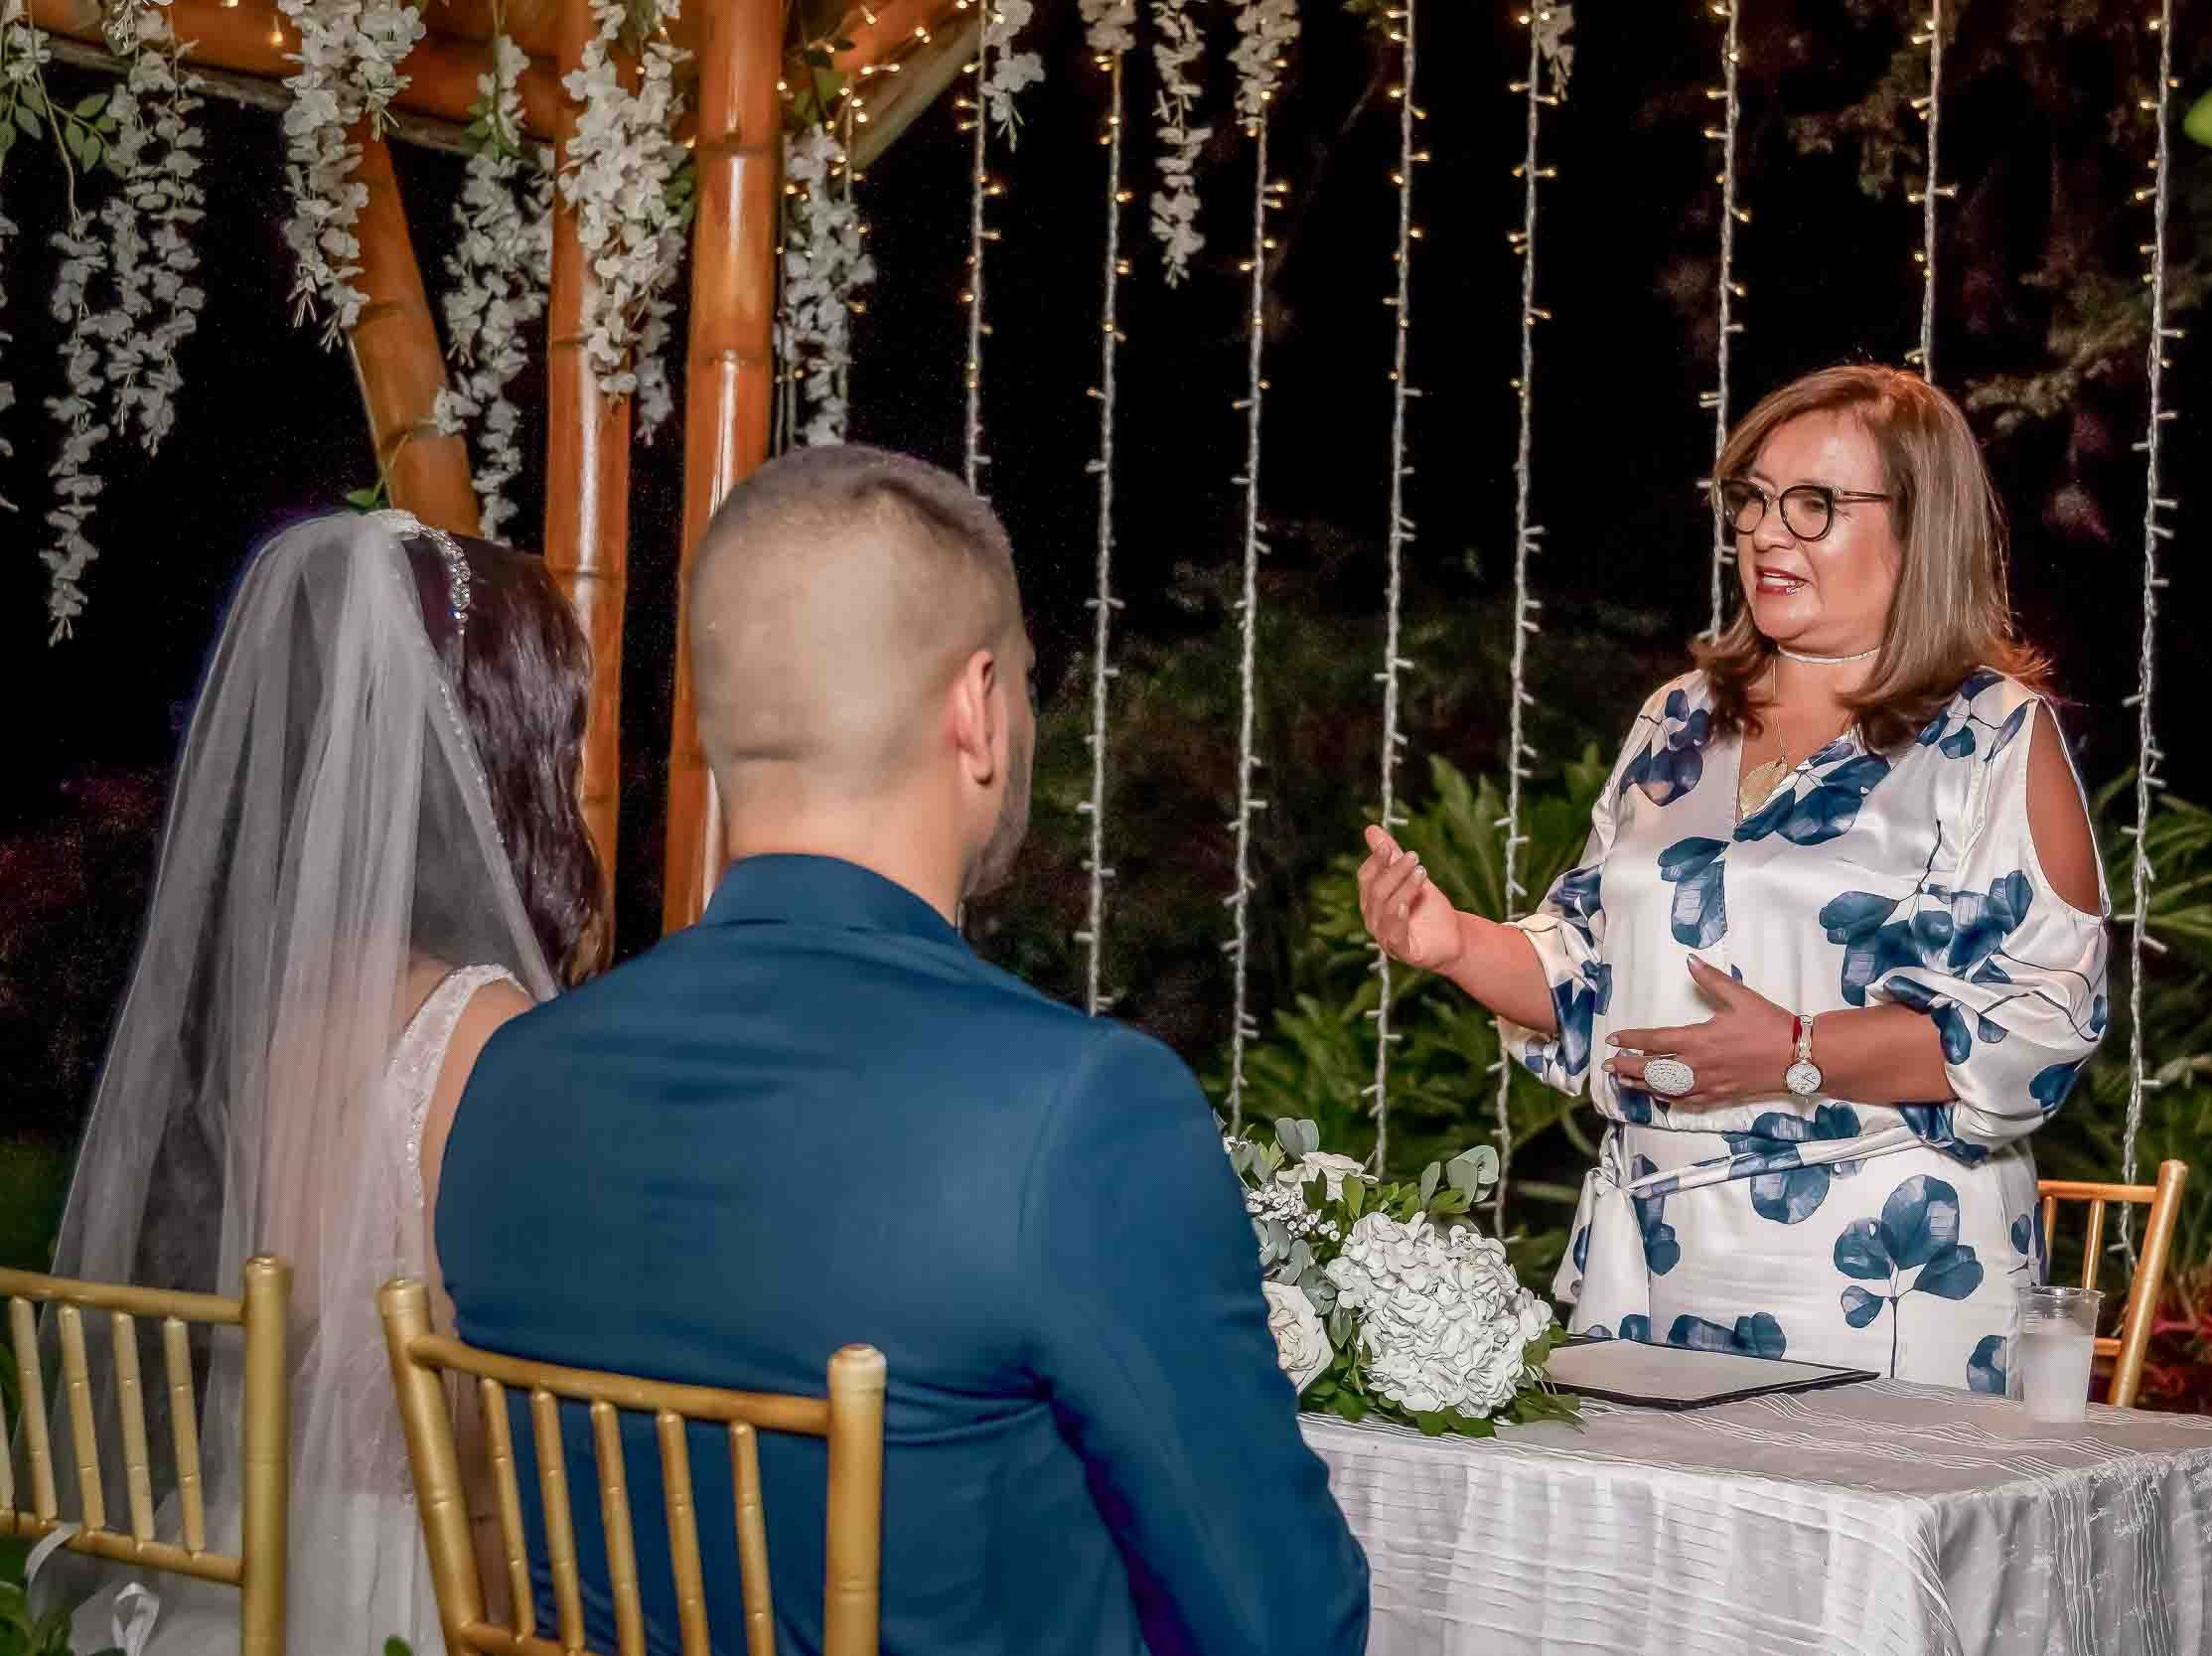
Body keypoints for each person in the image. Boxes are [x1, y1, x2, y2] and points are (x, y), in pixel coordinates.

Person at [436, 444, 1369, 1656]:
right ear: (975, 706)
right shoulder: (1080, 1108)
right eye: (1029, 683)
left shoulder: (510, 1081)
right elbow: (1283, 1625)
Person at [1359, 365, 2109, 1389]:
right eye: (1753, 501)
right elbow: (1591, 976)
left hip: (1883, 1268)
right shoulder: (1680, 718)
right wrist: (1451, 943)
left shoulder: (1991, 734)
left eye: (1815, 506)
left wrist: (1798, 1051)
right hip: (1657, 1260)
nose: (1765, 533)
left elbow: (2038, 1028)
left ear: (1919, 526)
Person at [45, 510, 606, 1655]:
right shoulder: (486, 1027)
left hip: (261, 1537)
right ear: (501, 741)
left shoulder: (290, 1016)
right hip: (425, 1573)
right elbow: (482, 1394)